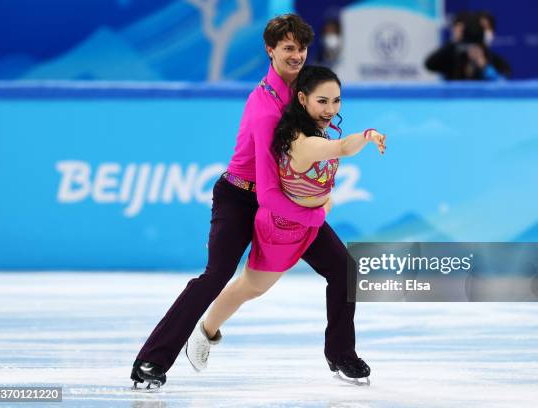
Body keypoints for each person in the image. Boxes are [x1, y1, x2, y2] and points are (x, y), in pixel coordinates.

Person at [130, 14, 368, 389]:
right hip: (242, 197)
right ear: (270, 50)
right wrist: (316, 215)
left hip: (284, 199)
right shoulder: (265, 108)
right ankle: (151, 360)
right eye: (288, 48)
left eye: (301, 48)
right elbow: (269, 193)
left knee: (343, 269)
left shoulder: (304, 92)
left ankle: (342, 355)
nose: (296, 55)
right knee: (216, 275)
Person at [185, 65, 385, 383]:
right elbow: (343, 148)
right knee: (250, 288)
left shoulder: (317, 128)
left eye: (336, 101)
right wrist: (367, 136)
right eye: (323, 101)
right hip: (283, 226)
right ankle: (206, 330)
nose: (331, 109)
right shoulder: (303, 141)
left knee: (344, 270)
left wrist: (321, 204)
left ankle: (341, 355)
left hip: (311, 223)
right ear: (303, 99)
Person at [425, 11, 511, 80]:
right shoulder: (453, 54)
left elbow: (502, 82)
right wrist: (453, 42)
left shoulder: (490, 57)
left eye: (485, 28)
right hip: (454, 100)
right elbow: (430, 64)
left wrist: (484, 66)